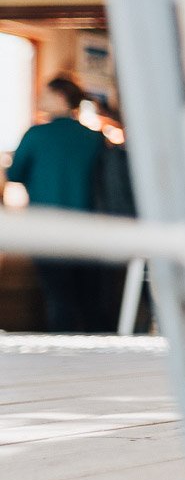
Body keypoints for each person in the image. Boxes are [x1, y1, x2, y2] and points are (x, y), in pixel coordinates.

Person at [0, 76, 113, 332]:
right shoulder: (93, 138)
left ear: (60, 97)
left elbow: (15, 174)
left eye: (45, 94)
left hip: (46, 227)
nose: (40, 98)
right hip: (90, 227)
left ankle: (62, 354)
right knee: (90, 299)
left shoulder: (36, 134)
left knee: (59, 298)